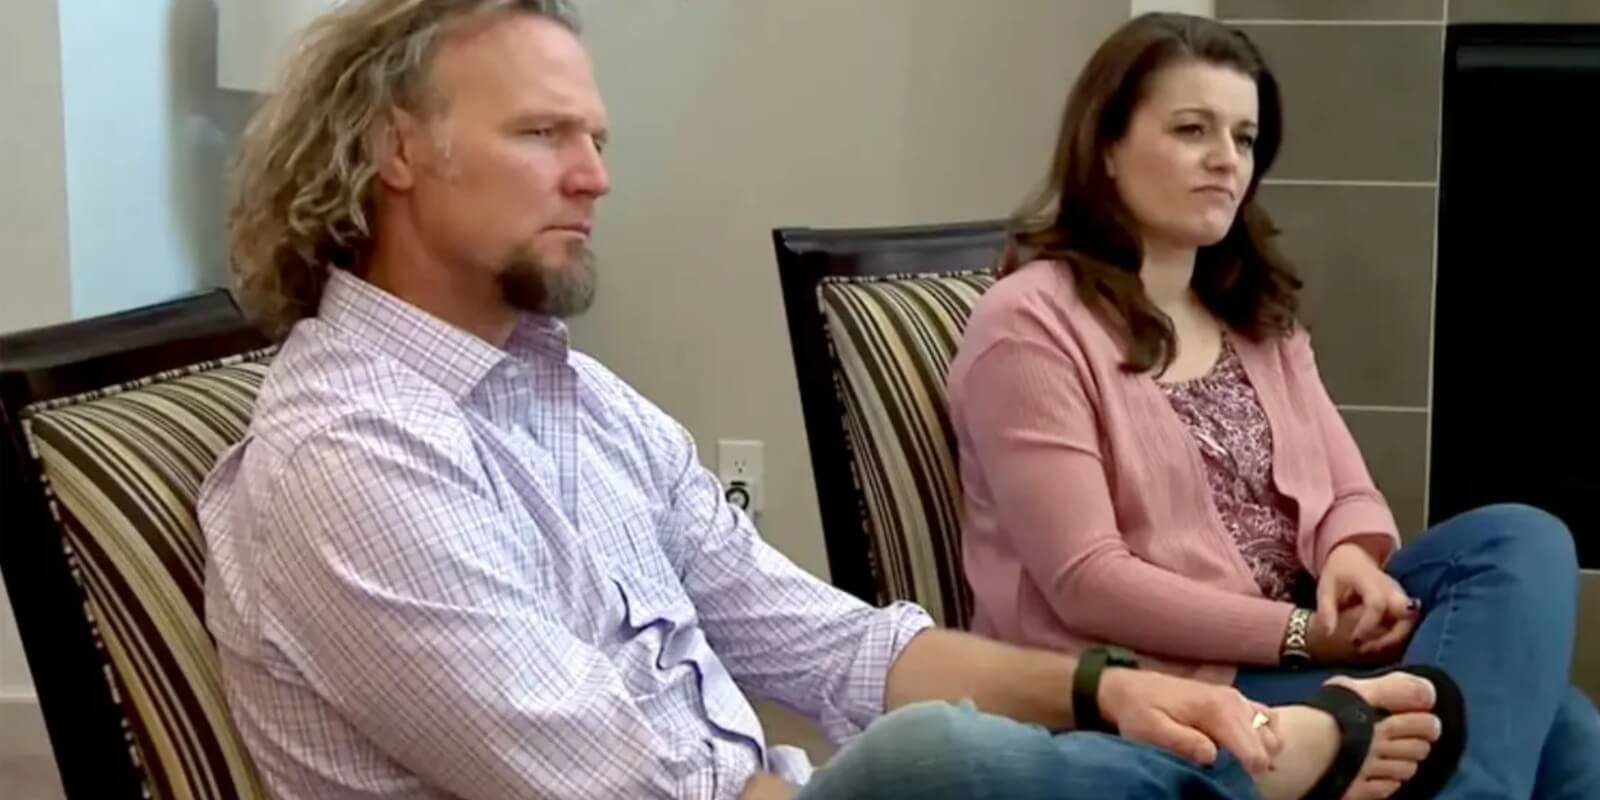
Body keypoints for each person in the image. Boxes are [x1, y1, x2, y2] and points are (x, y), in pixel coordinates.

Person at [203, 2, 1453, 798]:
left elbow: (826, 636)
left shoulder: (579, 399)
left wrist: (1105, 689)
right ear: (394, 153)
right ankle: (1278, 769)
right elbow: (612, 781)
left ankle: (1271, 763)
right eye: (544, 135)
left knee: (1531, 674)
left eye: (599, 137)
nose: (595, 177)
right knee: (944, 759)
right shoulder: (350, 455)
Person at [948, 11, 1600, 800]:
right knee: (1562, 726)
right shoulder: (1030, 324)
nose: (1227, 161)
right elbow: (1088, 580)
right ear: (1107, 147)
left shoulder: (1252, 311)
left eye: (1246, 139)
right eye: (1193, 130)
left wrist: (1351, 561)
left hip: (1296, 642)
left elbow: (1349, 492)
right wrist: (1296, 635)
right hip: (1155, 682)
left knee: (1520, 539)